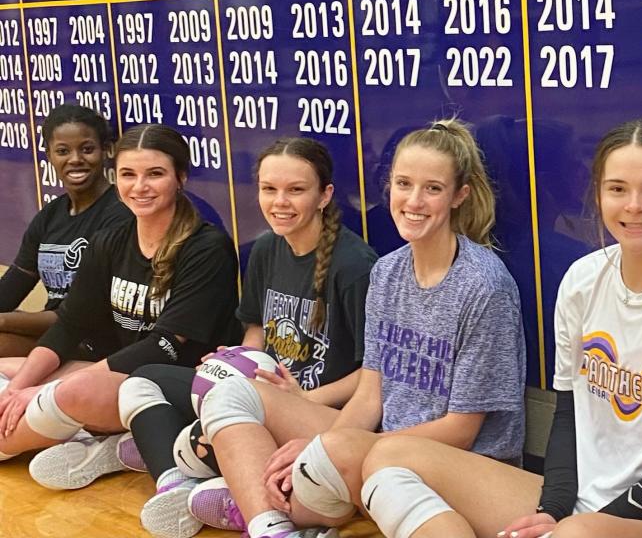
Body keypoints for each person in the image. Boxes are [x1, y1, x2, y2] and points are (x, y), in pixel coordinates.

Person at [354, 119, 642, 538]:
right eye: (617, 189)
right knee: (388, 459)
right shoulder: (583, 279)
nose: (634, 205)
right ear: (598, 195)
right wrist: (552, 510)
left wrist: (576, 523)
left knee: (575, 536)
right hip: (571, 499)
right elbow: (568, 414)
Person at [192, 118, 526, 538]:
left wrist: (329, 449)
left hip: (458, 465)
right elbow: (370, 395)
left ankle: (250, 495)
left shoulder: (484, 286)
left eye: (433, 189)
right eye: (404, 184)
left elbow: (462, 430)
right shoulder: (388, 272)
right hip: (381, 442)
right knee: (231, 389)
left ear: (459, 195)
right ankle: (272, 524)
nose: (414, 201)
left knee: (329, 455)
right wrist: (333, 446)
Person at [116, 136, 377, 538]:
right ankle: (176, 484)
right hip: (259, 399)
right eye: (269, 189)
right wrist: (236, 361)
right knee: (143, 381)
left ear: (324, 196)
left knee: (197, 442)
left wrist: (305, 398)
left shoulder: (355, 267)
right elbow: (255, 328)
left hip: (320, 411)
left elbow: (373, 377)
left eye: (296, 190)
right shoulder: (267, 248)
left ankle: (209, 471)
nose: (280, 202)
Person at [0, 123, 239, 485]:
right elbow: (69, 324)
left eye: (154, 174)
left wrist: (44, 391)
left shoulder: (207, 247)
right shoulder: (110, 239)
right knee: (13, 369)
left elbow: (165, 347)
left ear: (181, 178)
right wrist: (22, 389)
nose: (139, 186)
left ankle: (24, 437)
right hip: (119, 375)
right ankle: (114, 441)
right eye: (128, 174)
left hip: (173, 388)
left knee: (69, 389)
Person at [0, 104, 129, 357]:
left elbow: (88, 314)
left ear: (106, 150)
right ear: (49, 154)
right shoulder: (49, 216)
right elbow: (13, 286)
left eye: (87, 149)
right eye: (62, 151)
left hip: (96, 341)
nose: (75, 159)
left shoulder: (119, 215)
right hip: (56, 334)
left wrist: (5, 321)